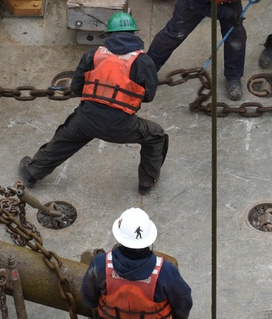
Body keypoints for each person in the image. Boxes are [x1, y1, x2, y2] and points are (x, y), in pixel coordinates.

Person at [19, 12, 167, 195]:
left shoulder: (93, 55)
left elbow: (76, 88)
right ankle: (146, 183)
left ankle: (32, 173)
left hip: (87, 120)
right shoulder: (144, 61)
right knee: (156, 136)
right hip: (122, 126)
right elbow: (148, 96)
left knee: (65, 136)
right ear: (133, 34)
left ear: (108, 34)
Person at [147, 0, 269, 101]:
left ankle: (233, 77)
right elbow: (198, 7)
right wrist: (227, 14)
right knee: (174, 33)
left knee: (236, 37)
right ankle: (147, 69)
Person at [81, 207, 193, 319]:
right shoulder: (165, 271)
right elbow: (182, 296)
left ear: (119, 237)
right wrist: (181, 315)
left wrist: (92, 304)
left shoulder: (100, 264)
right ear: (149, 238)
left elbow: (88, 291)